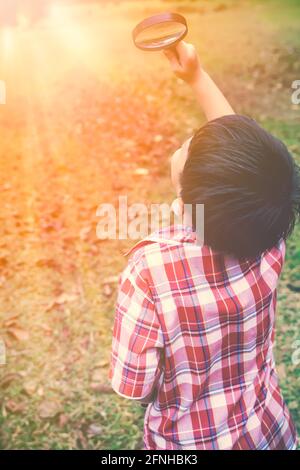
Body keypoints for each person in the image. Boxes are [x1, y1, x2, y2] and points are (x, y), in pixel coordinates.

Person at [109, 41, 299, 450]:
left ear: (183, 205)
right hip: (268, 430)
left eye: (191, 148)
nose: (192, 139)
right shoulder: (270, 238)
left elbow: (134, 386)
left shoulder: (150, 270)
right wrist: (196, 75)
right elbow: (243, 163)